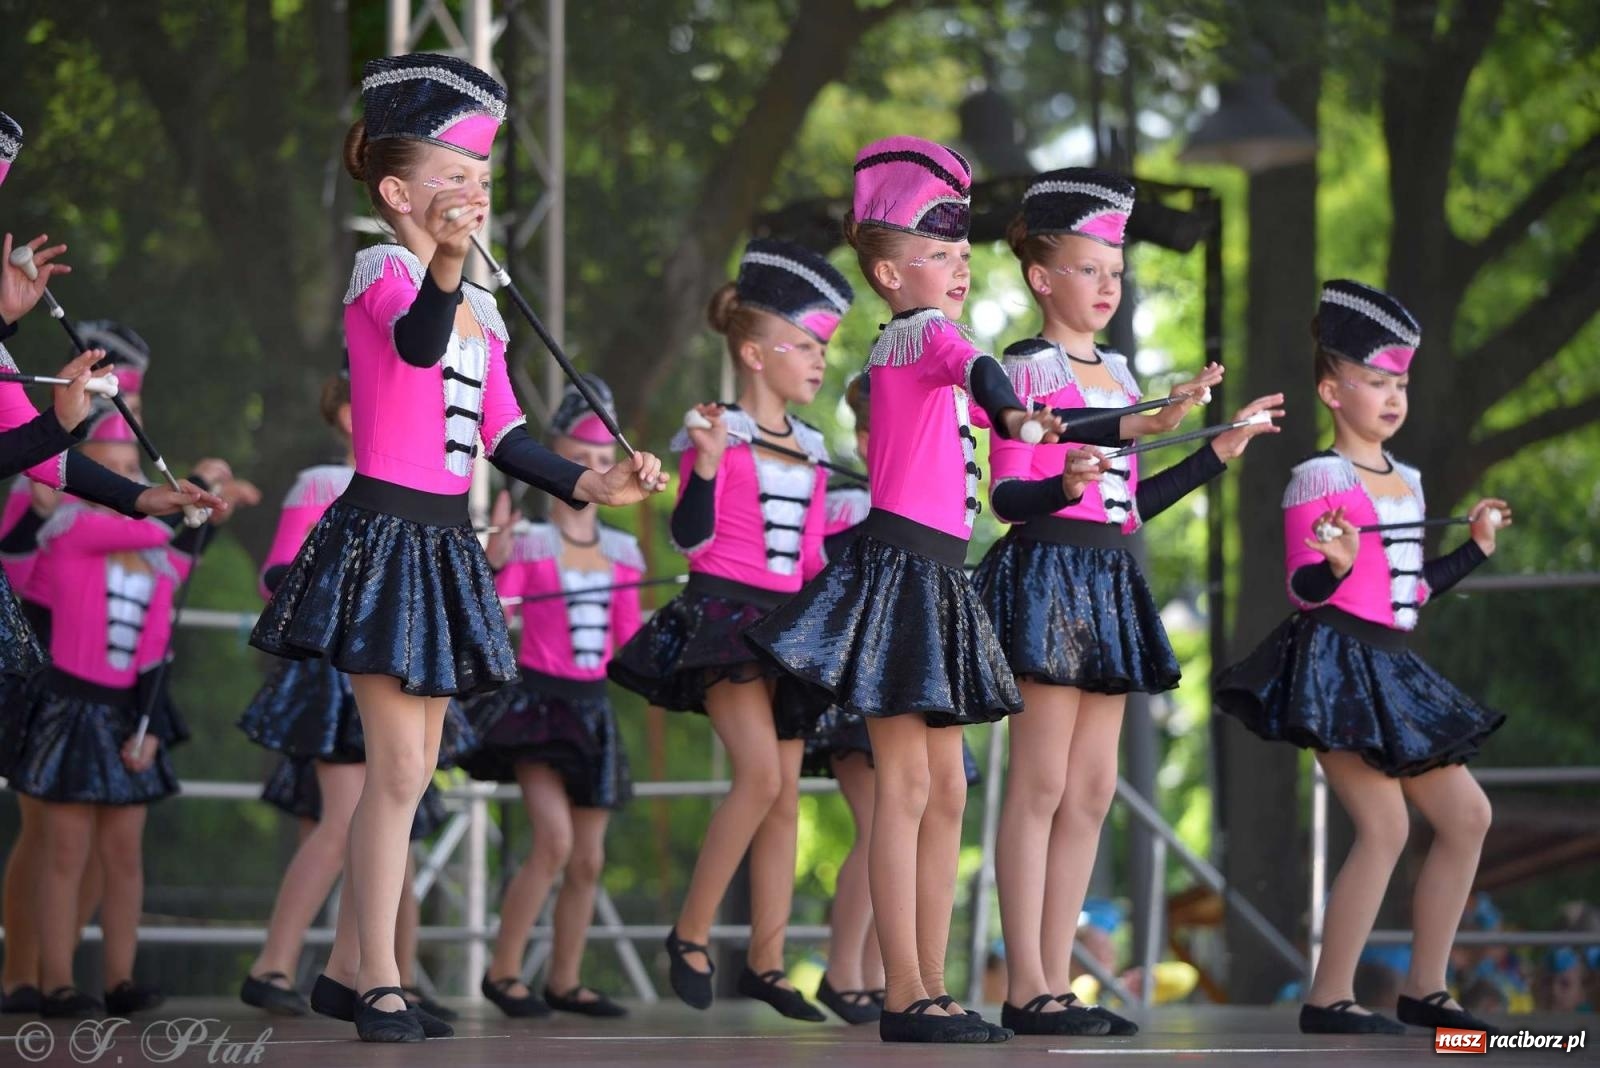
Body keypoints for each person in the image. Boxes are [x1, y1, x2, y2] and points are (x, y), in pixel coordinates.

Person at [249, 52, 664, 1043]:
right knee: (395, 770)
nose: (473, 193)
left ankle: (352, 970)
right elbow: (415, 348)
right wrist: (444, 263)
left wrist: (591, 481)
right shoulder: (382, 272)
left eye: (482, 179)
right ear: (395, 190)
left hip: (444, 543)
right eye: (453, 175)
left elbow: (506, 433)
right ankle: (381, 976)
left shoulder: (480, 303)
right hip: (385, 532)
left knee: (417, 763)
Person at [1215, 280, 1507, 1036]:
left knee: (1467, 815)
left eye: (1400, 383)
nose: (1392, 396)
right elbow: (1303, 585)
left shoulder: (1407, 482)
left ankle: (1425, 988)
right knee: (1384, 830)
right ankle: (1328, 998)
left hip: (1394, 663)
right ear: (1330, 389)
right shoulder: (1319, 478)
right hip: (1336, 663)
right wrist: (1338, 566)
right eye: (1376, 381)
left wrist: (1471, 551)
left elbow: (1411, 589)